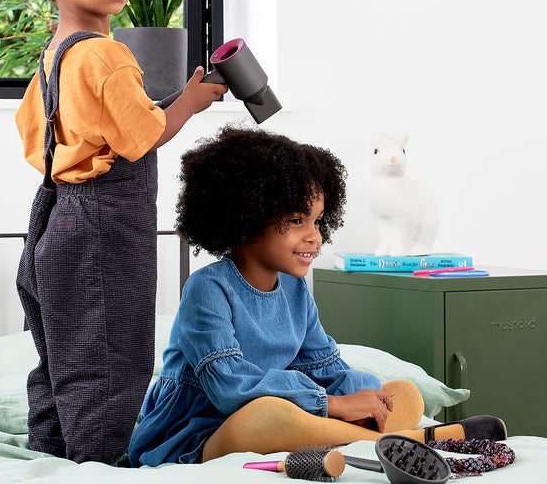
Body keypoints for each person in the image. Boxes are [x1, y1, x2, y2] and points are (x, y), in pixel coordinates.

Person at [128, 126, 506, 466]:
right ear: (246, 218)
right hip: (201, 431)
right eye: (297, 221)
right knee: (267, 415)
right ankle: (414, 441)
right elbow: (231, 388)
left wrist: (367, 398)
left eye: (318, 221)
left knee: (403, 393)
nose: (314, 236)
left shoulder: (294, 289)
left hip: (296, 414)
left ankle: (372, 438)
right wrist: (334, 405)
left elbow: (325, 369)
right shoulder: (208, 289)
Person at [14, 0, 227, 466]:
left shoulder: (56, 55)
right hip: (103, 229)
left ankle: (50, 457)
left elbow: (45, 135)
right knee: (110, 361)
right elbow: (143, 137)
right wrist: (190, 101)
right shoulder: (106, 54)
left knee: (63, 358)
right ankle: (101, 466)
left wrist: (173, 101)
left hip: (55, 221)